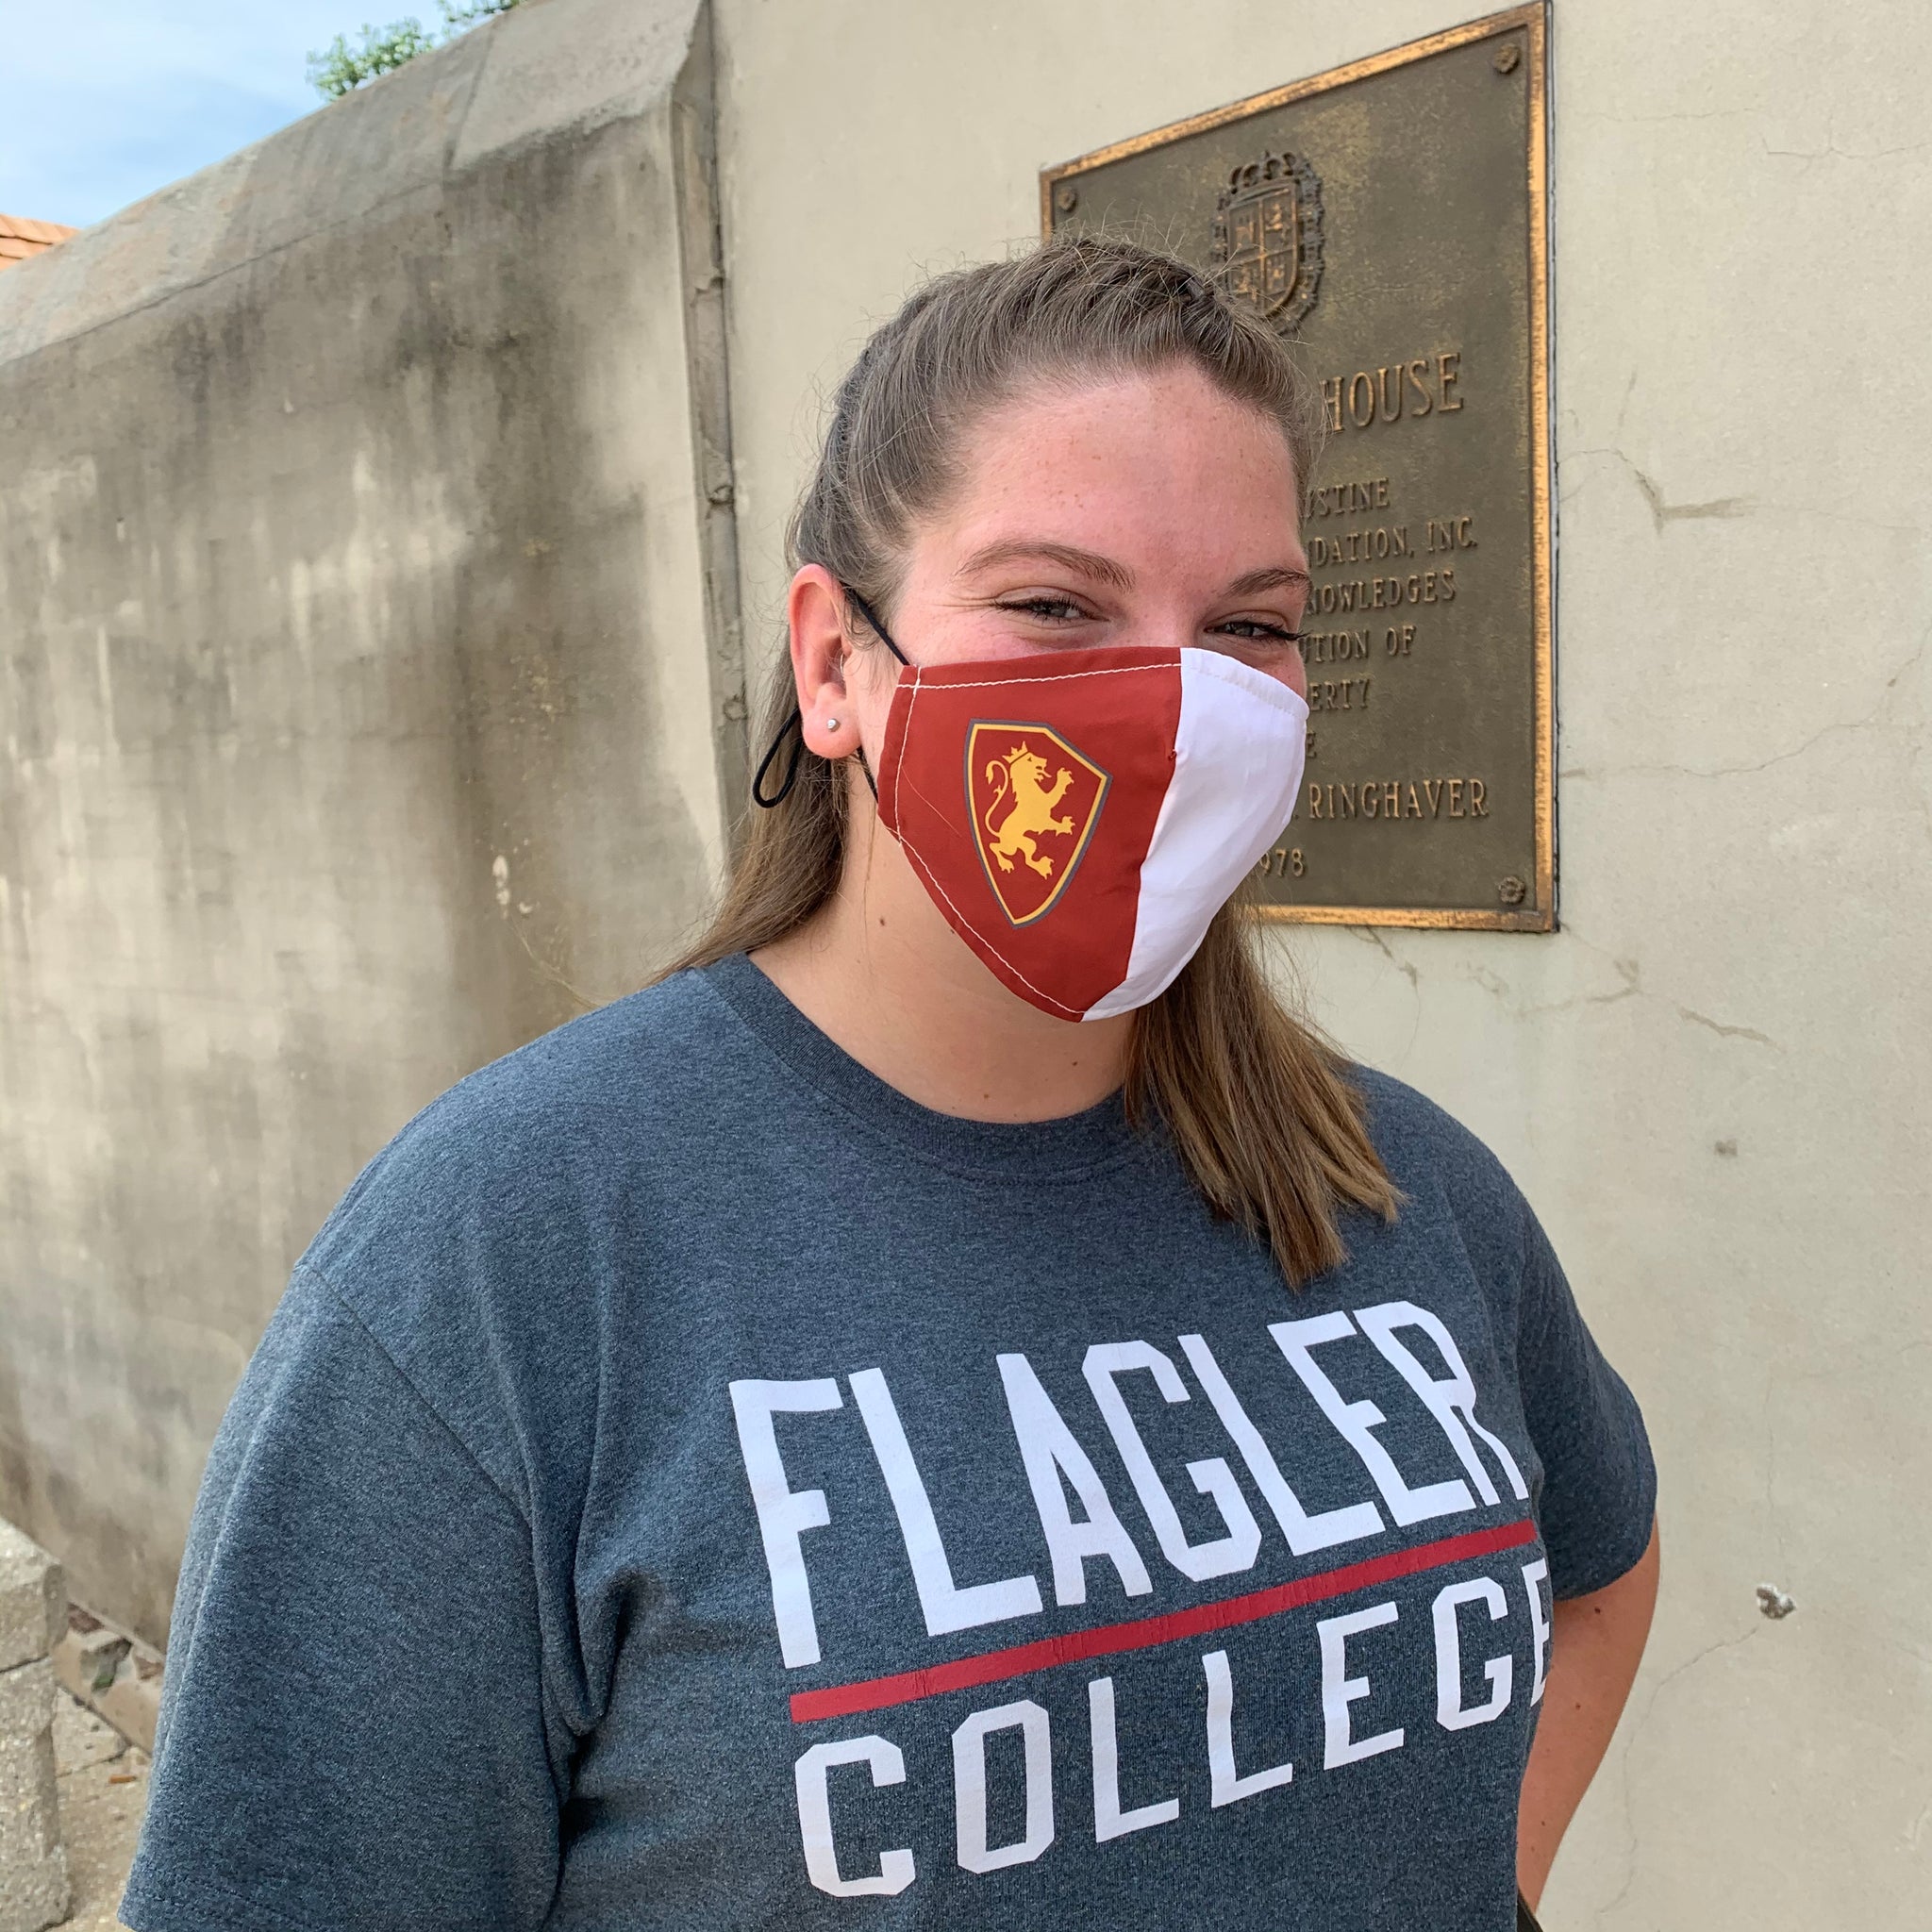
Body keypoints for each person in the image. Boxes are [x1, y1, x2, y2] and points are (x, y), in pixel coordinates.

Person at [124, 238, 1657, 1932]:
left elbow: (1601, 1566)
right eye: (1055, 604)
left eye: (1251, 627)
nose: (1169, 700)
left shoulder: (1396, 1180)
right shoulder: (504, 1258)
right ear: (836, 664)